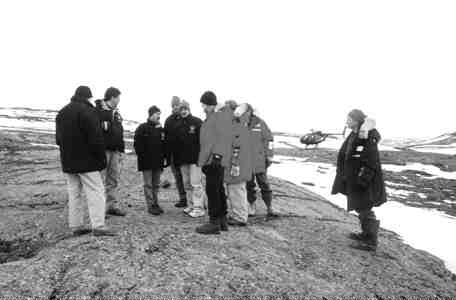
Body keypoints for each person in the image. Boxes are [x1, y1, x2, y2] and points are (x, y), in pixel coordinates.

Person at [55, 86, 116, 236]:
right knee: (96, 191)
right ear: (88, 97)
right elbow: (95, 138)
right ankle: (99, 226)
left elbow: (58, 140)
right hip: (87, 161)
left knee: (74, 193)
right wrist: (101, 159)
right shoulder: (88, 111)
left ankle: (76, 226)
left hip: (68, 161)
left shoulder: (62, 113)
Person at [331, 109, 387, 251]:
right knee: (360, 205)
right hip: (354, 177)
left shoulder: (368, 136)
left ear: (356, 120)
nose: (347, 121)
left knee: (364, 206)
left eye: (349, 119)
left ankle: (371, 241)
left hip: (363, 179)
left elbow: (372, 160)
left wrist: (363, 179)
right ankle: (365, 234)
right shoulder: (355, 133)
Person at [195, 91, 232, 234]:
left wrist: (217, 156)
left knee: (212, 190)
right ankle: (222, 220)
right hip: (212, 159)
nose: (203, 108)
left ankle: (214, 222)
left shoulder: (218, 117)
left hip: (215, 160)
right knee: (218, 189)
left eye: (204, 105)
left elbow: (224, 137)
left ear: (210, 105)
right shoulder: (213, 117)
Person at [95, 87, 126, 217]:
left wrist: (121, 150)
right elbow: (95, 130)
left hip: (115, 150)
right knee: (99, 180)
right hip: (103, 150)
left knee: (113, 179)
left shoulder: (116, 113)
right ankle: (98, 210)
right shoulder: (98, 111)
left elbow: (120, 131)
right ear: (113, 97)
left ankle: (112, 206)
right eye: (118, 97)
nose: (119, 100)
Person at [173, 100, 205, 218]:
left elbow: (203, 141)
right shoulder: (177, 125)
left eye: (185, 109)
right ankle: (191, 205)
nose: (183, 111)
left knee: (196, 184)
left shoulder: (197, 122)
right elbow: (175, 143)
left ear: (189, 109)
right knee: (186, 184)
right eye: (181, 109)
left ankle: (199, 208)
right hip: (183, 160)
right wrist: (176, 159)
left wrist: (202, 157)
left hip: (195, 159)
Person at [222, 102, 253, 226]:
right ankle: (238, 214)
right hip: (238, 164)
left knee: (237, 191)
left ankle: (240, 217)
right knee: (237, 190)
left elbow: (237, 147)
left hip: (237, 165)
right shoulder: (241, 125)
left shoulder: (237, 127)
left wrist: (235, 164)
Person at [133, 106, 168, 215]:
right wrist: (143, 157)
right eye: (157, 114)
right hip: (146, 162)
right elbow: (137, 145)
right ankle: (151, 205)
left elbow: (164, 145)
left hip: (158, 162)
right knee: (148, 184)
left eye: (160, 114)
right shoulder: (142, 128)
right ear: (151, 114)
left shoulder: (160, 129)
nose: (159, 116)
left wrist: (165, 158)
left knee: (156, 184)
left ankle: (156, 203)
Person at [245, 105, 278, 217]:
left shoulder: (260, 123)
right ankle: (251, 206)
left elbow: (269, 140)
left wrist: (269, 156)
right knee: (249, 185)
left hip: (260, 161)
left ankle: (269, 207)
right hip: (246, 161)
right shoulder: (240, 123)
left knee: (264, 184)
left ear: (250, 112)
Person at [164, 96, 187, 208]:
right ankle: (183, 198)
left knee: (189, 178)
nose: (175, 107)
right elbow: (166, 139)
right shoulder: (168, 120)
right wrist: (166, 156)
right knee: (178, 177)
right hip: (173, 154)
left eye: (177, 105)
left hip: (184, 154)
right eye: (173, 105)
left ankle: (195, 200)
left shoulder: (185, 117)